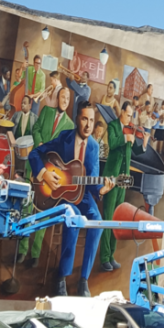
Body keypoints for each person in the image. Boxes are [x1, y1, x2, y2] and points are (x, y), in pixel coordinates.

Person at [28, 102, 114, 297]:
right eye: (85, 119)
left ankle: (83, 280)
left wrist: (102, 190)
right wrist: (44, 174)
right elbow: (35, 153)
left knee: (97, 222)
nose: (88, 125)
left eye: (91, 121)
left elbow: (92, 182)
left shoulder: (93, 147)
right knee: (73, 218)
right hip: (61, 196)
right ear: (77, 119)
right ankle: (62, 277)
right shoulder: (64, 138)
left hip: (81, 195)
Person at [97, 101, 136, 273]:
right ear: (121, 112)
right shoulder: (113, 126)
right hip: (111, 178)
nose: (129, 119)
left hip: (123, 180)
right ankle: (104, 257)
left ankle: (111, 255)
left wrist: (141, 144)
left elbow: (132, 152)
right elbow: (112, 144)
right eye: (128, 115)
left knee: (117, 219)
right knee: (108, 218)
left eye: (131, 116)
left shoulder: (129, 129)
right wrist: (125, 138)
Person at [32, 81, 74, 146]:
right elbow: (36, 128)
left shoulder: (70, 125)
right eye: (63, 97)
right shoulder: (46, 110)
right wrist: (40, 143)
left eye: (68, 99)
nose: (65, 101)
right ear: (57, 98)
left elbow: (65, 146)